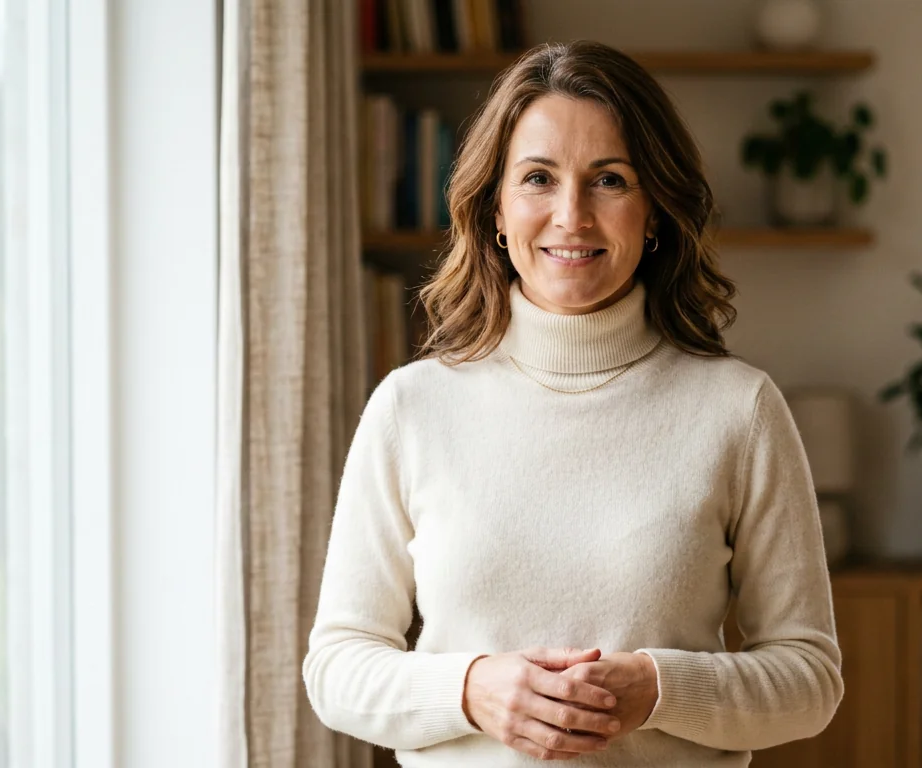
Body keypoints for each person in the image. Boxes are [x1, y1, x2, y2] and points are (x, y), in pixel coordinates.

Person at [303, 40, 842, 766]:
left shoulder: (739, 411)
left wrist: (657, 689)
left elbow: (810, 681)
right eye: (537, 178)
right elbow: (336, 669)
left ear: (654, 211)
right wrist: (471, 689)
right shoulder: (411, 408)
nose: (571, 215)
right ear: (495, 209)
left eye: (610, 180)